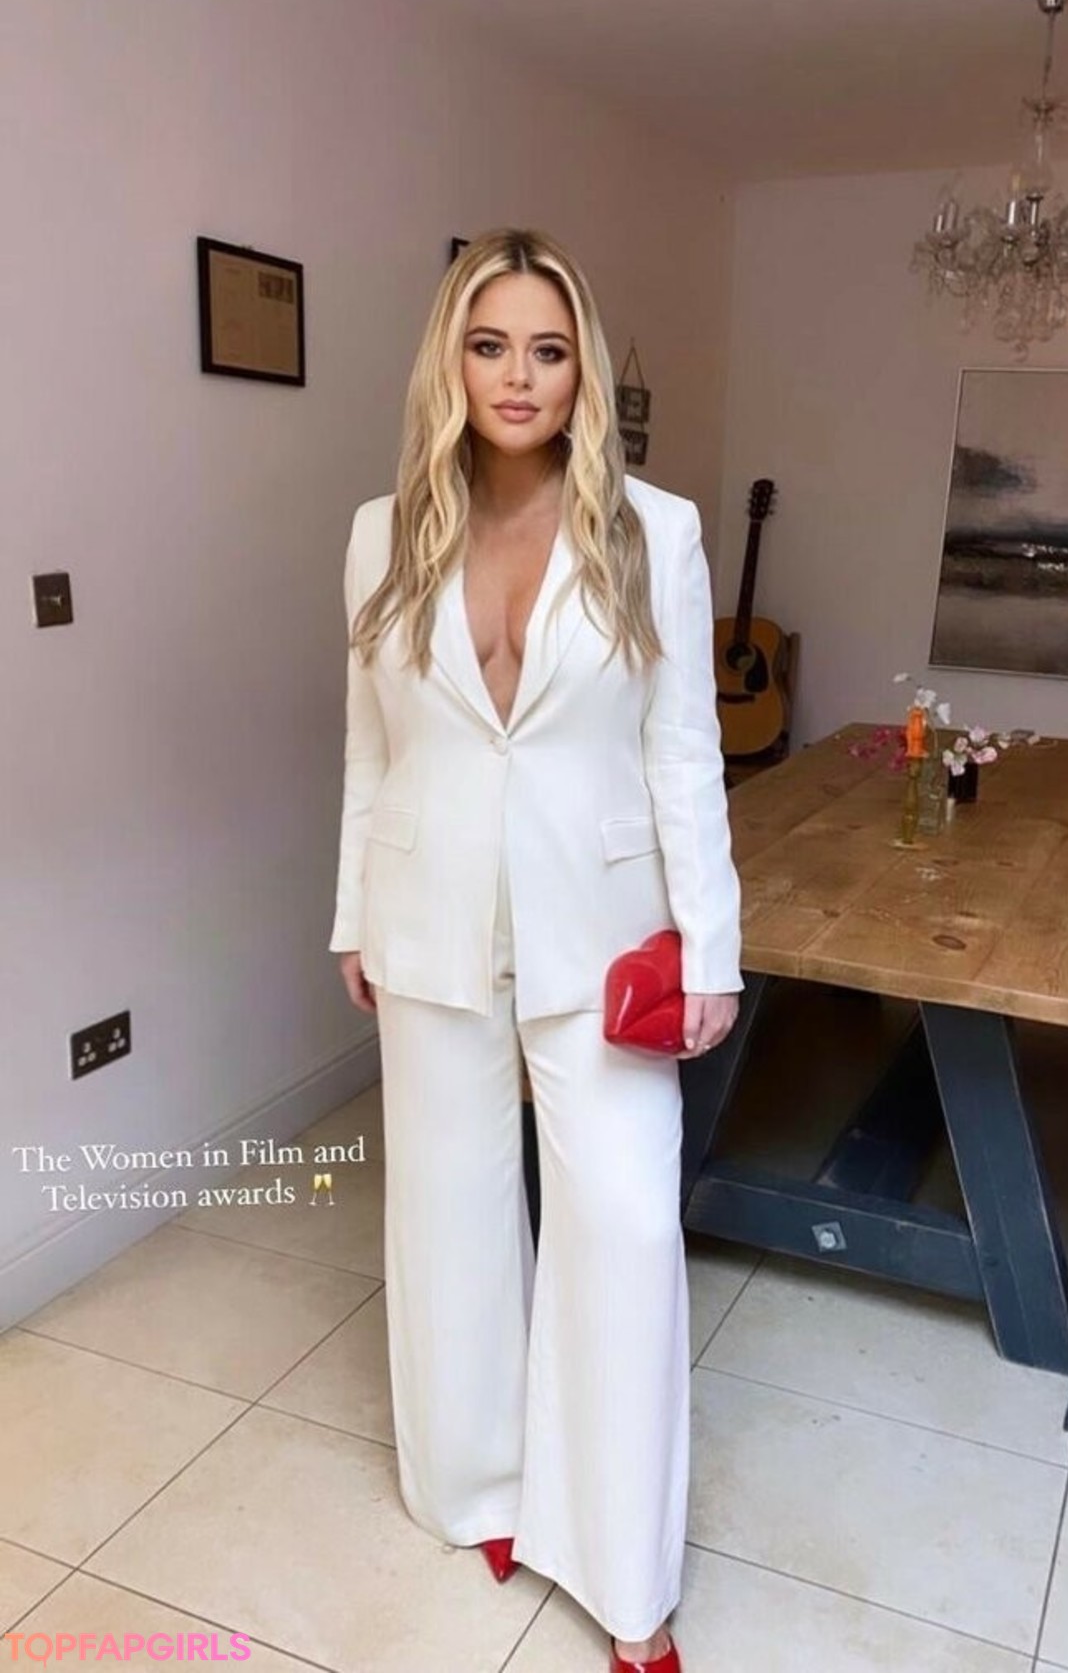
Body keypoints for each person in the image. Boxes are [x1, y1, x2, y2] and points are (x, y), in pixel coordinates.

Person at [330, 227, 743, 1673]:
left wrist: (712, 949)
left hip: (603, 931)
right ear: (450, 360)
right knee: (447, 1222)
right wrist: (352, 913)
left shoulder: (656, 531)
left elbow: (684, 750)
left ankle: (628, 1580)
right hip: (427, 919)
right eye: (491, 344)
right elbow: (370, 747)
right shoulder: (382, 532)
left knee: (623, 1232)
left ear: (585, 373)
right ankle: (483, 1489)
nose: (519, 375)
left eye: (549, 350)